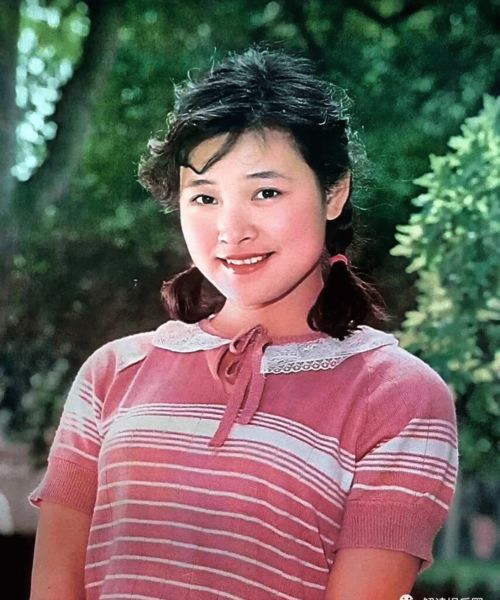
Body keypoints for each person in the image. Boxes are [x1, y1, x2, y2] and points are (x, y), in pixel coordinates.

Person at [29, 47, 458, 600]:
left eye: (266, 192)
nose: (232, 231)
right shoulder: (112, 374)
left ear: (334, 193)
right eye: (205, 197)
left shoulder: (400, 397)